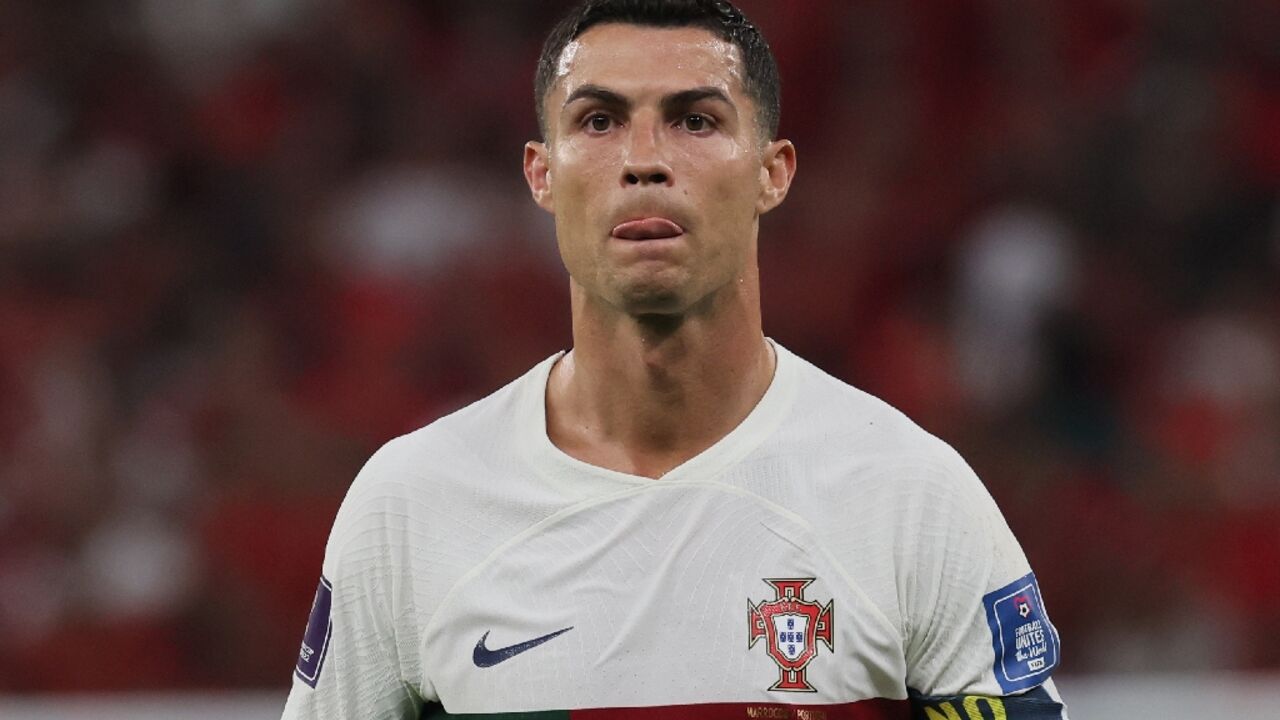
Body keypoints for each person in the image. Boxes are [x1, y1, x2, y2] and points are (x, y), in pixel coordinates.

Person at [281, 1, 1069, 718]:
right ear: (541, 175)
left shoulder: (910, 496)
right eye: (598, 121)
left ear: (772, 173)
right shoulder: (414, 504)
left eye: (695, 120)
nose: (644, 160)